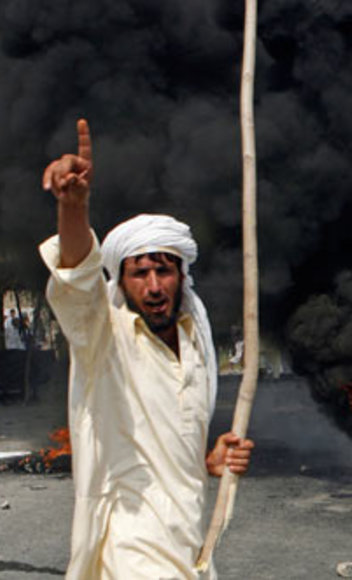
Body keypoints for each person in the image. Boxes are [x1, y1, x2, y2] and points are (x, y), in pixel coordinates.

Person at [40, 118, 254, 578]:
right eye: (140, 273)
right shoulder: (103, 334)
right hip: (130, 547)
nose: (154, 286)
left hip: (191, 544)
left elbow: (168, 449)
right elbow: (77, 278)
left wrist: (209, 461)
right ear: (123, 279)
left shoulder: (195, 341)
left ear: (181, 275)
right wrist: (74, 208)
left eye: (164, 270)